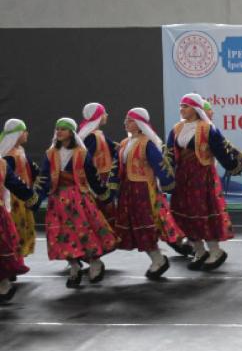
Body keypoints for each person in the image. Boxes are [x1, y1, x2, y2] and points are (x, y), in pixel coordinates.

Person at [166, 93, 242, 271]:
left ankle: (215, 251)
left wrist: (234, 166)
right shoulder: (177, 129)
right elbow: (169, 154)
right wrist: (167, 175)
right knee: (185, 213)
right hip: (183, 178)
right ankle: (199, 251)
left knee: (204, 213)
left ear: (195, 109)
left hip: (202, 177)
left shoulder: (208, 129)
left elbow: (221, 152)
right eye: (180, 106)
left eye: (185, 106)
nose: (181, 109)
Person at [37, 118, 117, 288]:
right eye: (57, 129)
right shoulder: (50, 154)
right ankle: (74, 267)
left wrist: (105, 195)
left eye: (63, 129)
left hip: (78, 199)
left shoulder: (81, 152)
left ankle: (95, 262)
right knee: (61, 235)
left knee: (84, 233)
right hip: (57, 200)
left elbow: (92, 176)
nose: (59, 132)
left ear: (71, 133)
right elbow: (44, 178)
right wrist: (36, 197)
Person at [110, 108, 185, 279]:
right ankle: (158, 258)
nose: (125, 123)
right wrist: (112, 186)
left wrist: (168, 184)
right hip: (128, 193)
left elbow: (160, 165)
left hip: (144, 193)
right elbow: (116, 167)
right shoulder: (124, 144)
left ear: (139, 124)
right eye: (126, 120)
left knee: (146, 225)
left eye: (129, 120)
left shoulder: (147, 144)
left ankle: (159, 259)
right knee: (137, 227)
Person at [0, 119, 38, 256]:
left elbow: (33, 170)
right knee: (15, 229)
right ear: (17, 134)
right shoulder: (9, 156)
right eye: (24, 131)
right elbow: (9, 180)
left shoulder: (19, 150)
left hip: (22, 195)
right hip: (14, 199)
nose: (27, 133)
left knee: (23, 228)